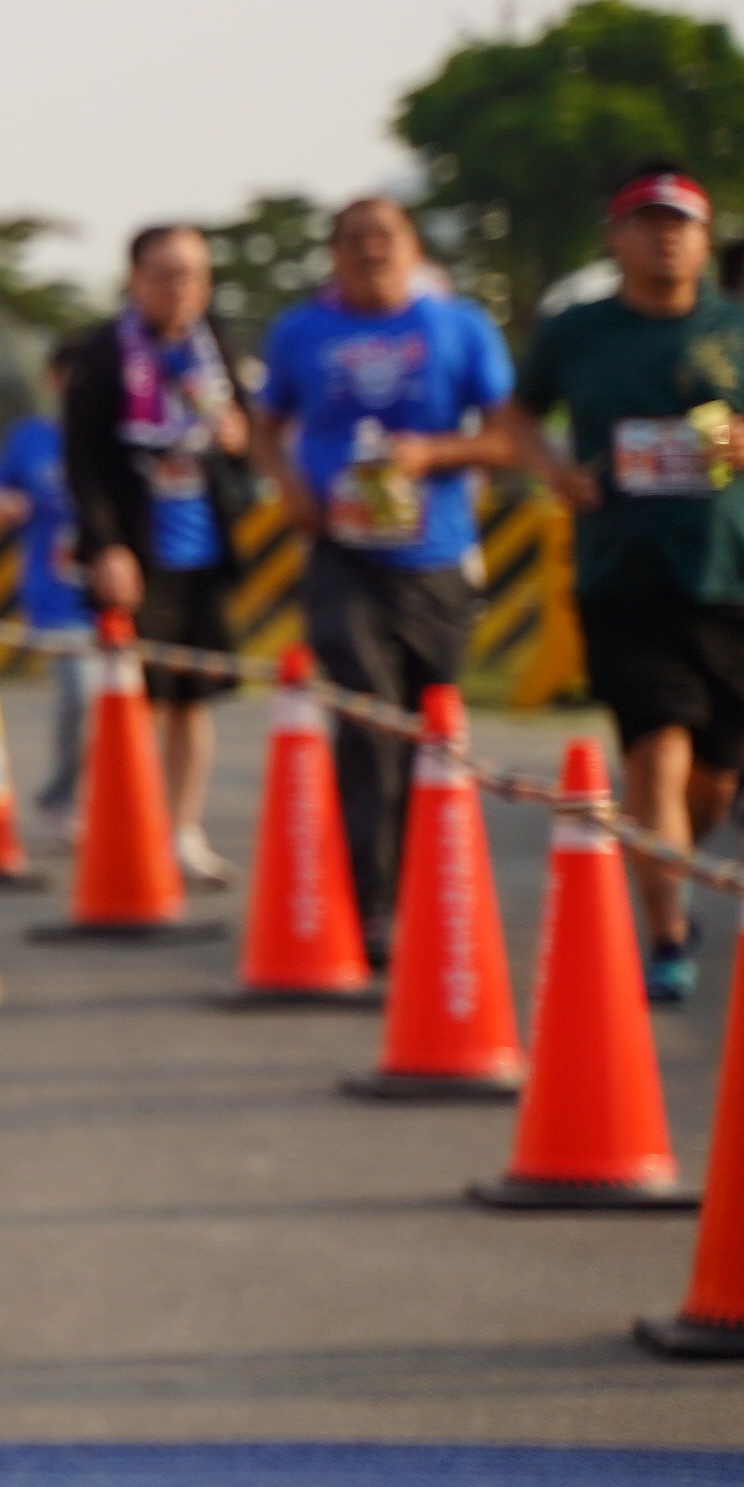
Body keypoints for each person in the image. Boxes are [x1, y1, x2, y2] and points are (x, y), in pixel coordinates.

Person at [497, 160, 744, 1004]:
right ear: (617, 239)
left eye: (681, 225)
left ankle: (669, 866)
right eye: (648, 225)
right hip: (621, 576)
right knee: (656, 749)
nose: (666, 239)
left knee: (714, 778)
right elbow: (515, 415)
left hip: (729, 577)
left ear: (704, 240)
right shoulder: (577, 331)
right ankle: (668, 935)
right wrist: (553, 469)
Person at [255, 198, 513, 950]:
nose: (372, 252)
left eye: (386, 239)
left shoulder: (460, 326)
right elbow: (264, 429)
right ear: (334, 254)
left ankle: (430, 894)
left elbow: (508, 438)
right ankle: (372, 905)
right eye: (356, 240)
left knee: (431, 728)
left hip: (437, 558)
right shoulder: (301, 331)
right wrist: (288, 485)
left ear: (413, 248)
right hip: (343, 558)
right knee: (368, 721)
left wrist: (431, 454)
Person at [60, 224, 255, 884]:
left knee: (193, 699)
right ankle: (120, 828)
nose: (181, 289)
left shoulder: (214, 347)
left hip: (202, 545)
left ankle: (181, 830)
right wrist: (105, 547)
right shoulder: (103, 352)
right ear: (135, 279)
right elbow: (82, 461)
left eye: (194, 275)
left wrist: (239, 438)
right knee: (134, 700)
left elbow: (248, 438)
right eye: (166, 275)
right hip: (136, 548)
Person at [0, 344, 91, 830]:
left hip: (122, 589)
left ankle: (123, 802)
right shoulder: (31, 437)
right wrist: (2, 501)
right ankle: (65, 795)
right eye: (71, 375)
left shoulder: (119, 433)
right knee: (80, 693)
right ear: (52, 380)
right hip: (56, 589)